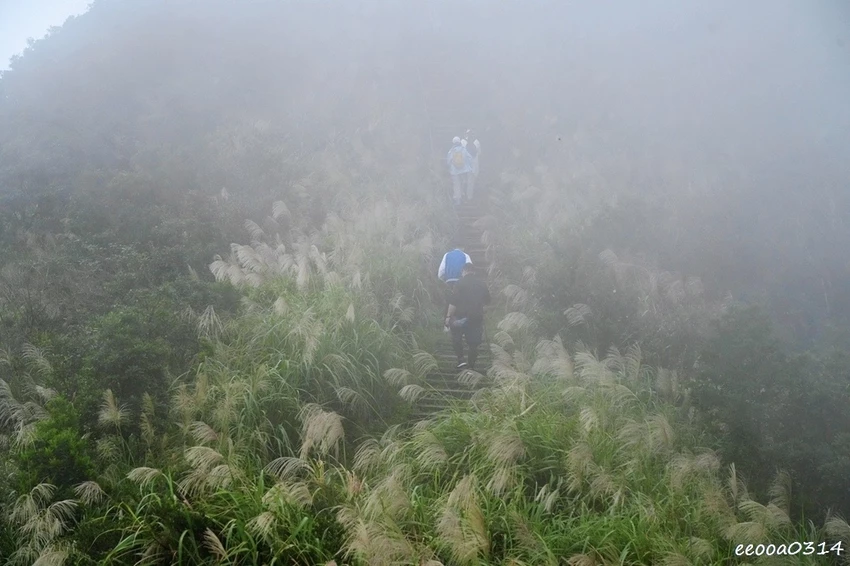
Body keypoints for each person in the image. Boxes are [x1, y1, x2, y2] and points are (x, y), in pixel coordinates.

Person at [446, 262, 491, 370]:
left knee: (456, 338)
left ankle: (461, 360)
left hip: (459, 317)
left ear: (463, 271)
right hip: (475, 317)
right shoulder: (482, 284)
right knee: (473, 344)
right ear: (474, 271)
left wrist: (448, 317)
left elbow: (453, 302)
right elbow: (487, 301)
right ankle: (471, 365)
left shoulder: (459, 283)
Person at [438, 244, 472, 331]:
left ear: (453, 247)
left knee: (449, 302)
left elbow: (441, 272)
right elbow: (469, 269)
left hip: (449, 282)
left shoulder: (447, 255)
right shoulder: (465, 255)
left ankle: (447, 326)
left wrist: (444, 280)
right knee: (463, 302)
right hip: (462, 282)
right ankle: (463, 324)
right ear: (463, 247)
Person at [446, 136, 472, 206]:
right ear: (460, 141)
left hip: (454, 171)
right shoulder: (464, 149)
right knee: (463, 183)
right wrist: (468, 166)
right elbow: (470, 158)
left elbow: (448, 161)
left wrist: (449, 167)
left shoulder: (452, 150)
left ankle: (457, 199)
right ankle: (464, 196)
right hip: (464, 170)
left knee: (456, 185)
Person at [461, 129, 481, 201]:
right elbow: (479, 153)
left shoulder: (462, 142)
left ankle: (462, 194)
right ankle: (469, 196)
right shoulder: (476, 142)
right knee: (470, 181)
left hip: (464, 165)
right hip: (473, 166)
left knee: (463, 180)